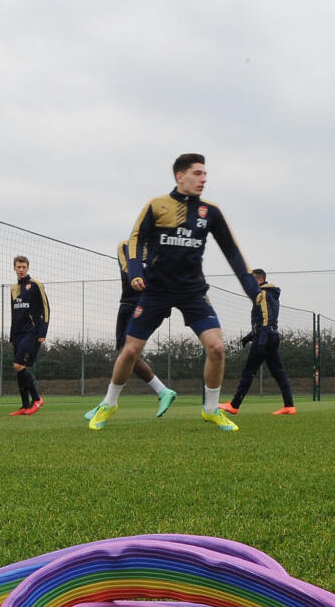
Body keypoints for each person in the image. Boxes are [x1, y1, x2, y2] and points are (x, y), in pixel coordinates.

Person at [87, 153, 260, 432]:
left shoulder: (210, 212)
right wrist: (135, 273)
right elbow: (135, 239)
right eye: (197, 173)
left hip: (193, 291)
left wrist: (252, 288)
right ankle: (109, 403)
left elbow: (232, 251)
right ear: (180, 176)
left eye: (205, 174)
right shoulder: (157, 206)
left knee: (217, 347)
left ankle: (211, 410)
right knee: (130, 350)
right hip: (156, 291)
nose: (204, 179)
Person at [85, 240, 176, 421]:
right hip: (128, 303)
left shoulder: (163, 246)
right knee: (124, 353)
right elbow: (129, 272)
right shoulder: (126, 246)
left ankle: (109, 403)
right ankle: (161, 391)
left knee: (128, 352)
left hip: (149, 305)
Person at [220, 269, 295, 416]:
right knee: (279, 373)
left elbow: (266, 319)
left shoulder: (263, 294)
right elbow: (265, 321)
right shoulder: (271, 294)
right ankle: (289, 406)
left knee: (248, 371)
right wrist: (250, 336)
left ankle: (234, 405)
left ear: (259, 280)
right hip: (272, 335)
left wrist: (261, 341)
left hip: (265, 337)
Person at [9, 256, 49, 415]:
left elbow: (46, 309)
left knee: (19, 365)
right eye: (18, 267)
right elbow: (14, 313)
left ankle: (37, 399)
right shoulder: (13, 288)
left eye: (24, 267)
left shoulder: (35, 285)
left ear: (28, 267)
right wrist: (12, 336)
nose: (21, 269)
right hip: (18, 334)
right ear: (14, 268)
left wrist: (42, 332)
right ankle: (25, 406)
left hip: (32, 332)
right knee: (20, 368)